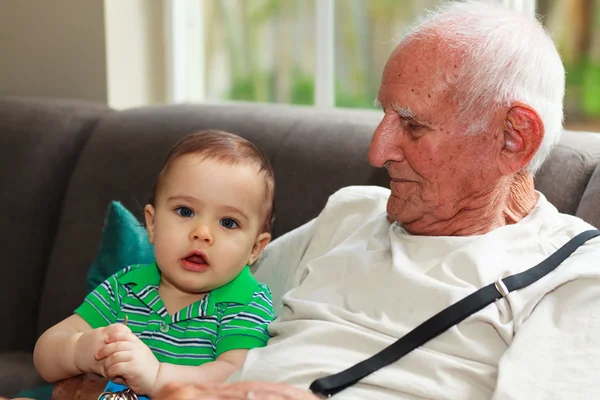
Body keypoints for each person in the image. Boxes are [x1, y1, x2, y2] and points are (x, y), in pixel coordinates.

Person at [151, 2, 600, 399]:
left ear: (512, 139)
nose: (377, 150)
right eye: (383, 113)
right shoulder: (351, 213)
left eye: (412, 125)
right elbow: (200, 299)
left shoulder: (577, 277)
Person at [33, 130, 276, 398]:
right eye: (185, 211)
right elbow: (45, 353)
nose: (202, 232)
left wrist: (157, 375)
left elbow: (236, 376)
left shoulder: (246, 303)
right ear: (152, 224)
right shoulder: (125, 287)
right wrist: (80, 350)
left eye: (228, 222)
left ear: (255, 248)